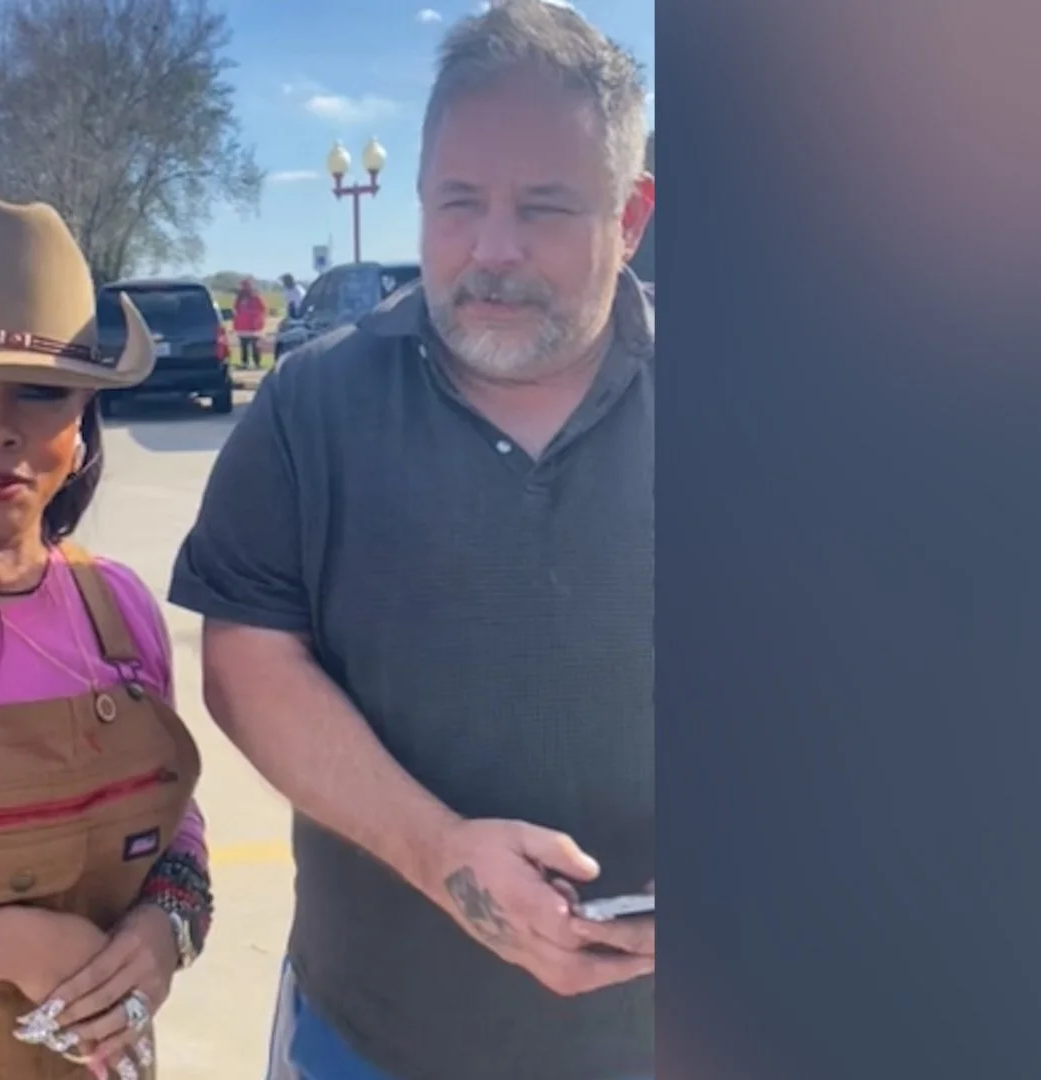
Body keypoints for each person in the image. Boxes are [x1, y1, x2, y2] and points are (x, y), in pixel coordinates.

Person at [167, 2, 656, 1078]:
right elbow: (248, 663)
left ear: (630, 216)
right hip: (369, 1037)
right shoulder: (312, 406)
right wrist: (439, 853)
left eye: (544, 207)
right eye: (458, 202)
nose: (493, 249)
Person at [0, 193, 213, 1080]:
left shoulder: (118, 610)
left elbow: (175, 823)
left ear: (84, 419)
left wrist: (165, 928)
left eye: (40, 390)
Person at [232, 277, 267, 369]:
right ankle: (245, 363)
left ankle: (257, 363)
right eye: (243, 286)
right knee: (244, 346)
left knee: (255, 346)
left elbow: (262, 309)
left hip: (253, 326)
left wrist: (253, 315)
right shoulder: (239, 298)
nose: (244, 288)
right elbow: (235, 310)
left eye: (246, 286)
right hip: (242, 326)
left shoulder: (256, 297)